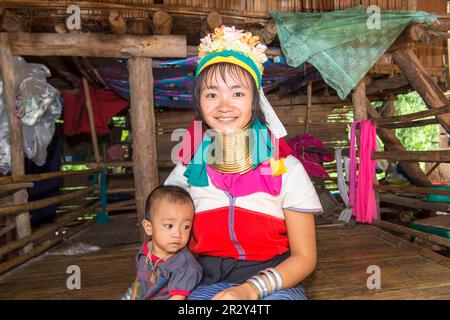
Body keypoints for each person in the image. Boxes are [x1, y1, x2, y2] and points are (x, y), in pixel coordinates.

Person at [164, 26, 324, 300]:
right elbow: (164, 241)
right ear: (199, 104)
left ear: (255, 101)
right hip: (200, 283)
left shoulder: (287, 171)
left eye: (237, 93)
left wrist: (250, 290)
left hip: (273, 284)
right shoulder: (185, 175)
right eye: (212, 95)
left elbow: (305, 256)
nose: (224, 106)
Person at [125, 185, 202, 300]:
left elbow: (177, 298)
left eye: (186, 227)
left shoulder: (185, 267)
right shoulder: (146, 250)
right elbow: (139, 281)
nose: (178, 234)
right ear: (149, 227)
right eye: (169, 226)